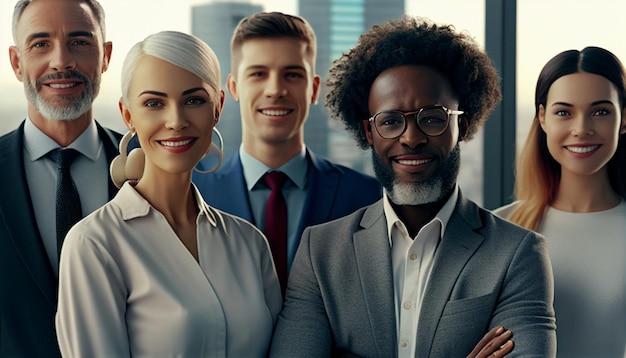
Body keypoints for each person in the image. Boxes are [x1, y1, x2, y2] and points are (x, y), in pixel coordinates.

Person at [270, 16, 556, 357]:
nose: (411, 138)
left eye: (432, 118)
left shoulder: (517, 254)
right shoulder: (321, 253)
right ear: (368, 133)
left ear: (461, 126)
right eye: (390, 122)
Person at [54, 30, 282, 357]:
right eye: (154, 103)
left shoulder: (249, 243)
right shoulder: (94, 244)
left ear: (217, 107)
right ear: (128, 115)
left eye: (193, 100)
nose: (175, 121)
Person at [192, 11, 382, 295]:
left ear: (314, 88)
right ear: (233, 88)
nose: (276, 89)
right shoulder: (193, 196)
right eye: (258, 74)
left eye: (292, 75)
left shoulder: (366, 198)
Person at [0, 0, 119, 356]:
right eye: (40, 44)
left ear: (106, 56)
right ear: (17, 63)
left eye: (80, 42)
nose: (61, 61)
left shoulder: (152, 172)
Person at [494, 46, 626, 357]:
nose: (582, 129)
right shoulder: (499, 229)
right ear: (542, 118)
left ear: (624, 118)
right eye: (564, 112)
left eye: (601, 111)